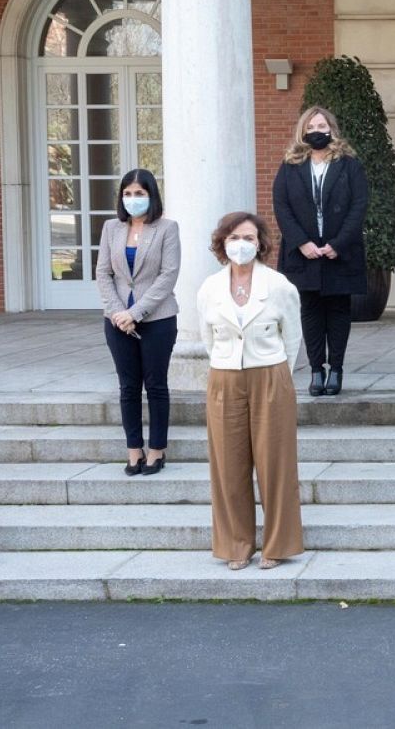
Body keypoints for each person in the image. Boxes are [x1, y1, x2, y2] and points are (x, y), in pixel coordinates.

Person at [196, 212, 305, 571]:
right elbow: (207, 338)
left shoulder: (279, 286)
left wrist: (278, 376)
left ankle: (277, 544)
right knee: (227, 464)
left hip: (270, 375)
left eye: (247, 238)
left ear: (260, 243)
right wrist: (228, 365)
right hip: (225, 378)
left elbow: (292, 339)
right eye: (232, 238)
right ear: (222, 243)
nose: (240, 244)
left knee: (275, 463)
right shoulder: (209, 288)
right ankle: (236, 545)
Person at [273, 106, 369, 397]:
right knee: (310, 311)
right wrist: (302, 242)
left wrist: (337, 243)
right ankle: (316, 370)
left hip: (340, 251)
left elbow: (359, 205)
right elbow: (282, 206)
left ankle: (336, 369)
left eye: (322, 126)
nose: (317, 131)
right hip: (302, 253)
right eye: (311, 127)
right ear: (303, 131)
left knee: (338, 311)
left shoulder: (349, 163)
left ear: (332, 129)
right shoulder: (290, 165)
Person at [94, 168, 180, 476]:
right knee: (128, 387)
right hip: (117, 322)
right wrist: (119, 313)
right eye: (127, 194)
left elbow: (168, 276)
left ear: (151, 195)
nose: (133, 199)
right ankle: (134, 450)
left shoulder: (167, 229)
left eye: (139, 194)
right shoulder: (111, 228)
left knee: (156, 385)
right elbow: (103, 273)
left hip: (157, 318)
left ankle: (157, 450)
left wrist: (136, 313)